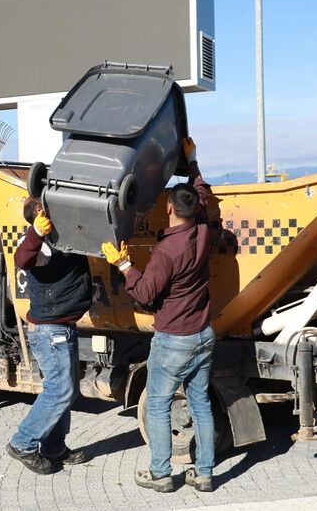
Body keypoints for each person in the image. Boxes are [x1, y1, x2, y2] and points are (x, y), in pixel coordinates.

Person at [102, 138, 216, 493]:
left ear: (169, 208)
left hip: (175, 339)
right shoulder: (203, 230)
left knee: (158, 402)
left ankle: (161, 473)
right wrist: (192, 160)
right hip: (203, 333)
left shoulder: (167, 250)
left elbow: (145, 293)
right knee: (200, 402)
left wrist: (123, 265)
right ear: (194, 209)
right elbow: (202, 193)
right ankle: (205, 473)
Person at [7, 197, 92, 474]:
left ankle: (54, 446)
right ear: (39, 218)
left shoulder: (65, 235)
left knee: (66, 390)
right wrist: (36, 233)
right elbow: (22, 259)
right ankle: (22, 443)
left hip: (61, 326)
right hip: (49, 329)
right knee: (60, 390)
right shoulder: (38, 242)